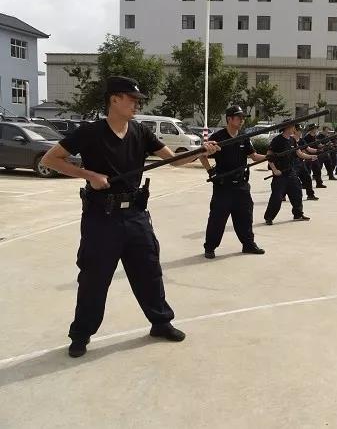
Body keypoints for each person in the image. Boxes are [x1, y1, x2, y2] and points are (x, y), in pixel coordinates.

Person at [40, 76, 220, 358]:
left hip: (136, 215)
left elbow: (172, 160)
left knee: (149, 271)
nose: (137, 104)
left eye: (138, 100)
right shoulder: (91, 132)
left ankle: (160, 322)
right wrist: (89, 175)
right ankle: (81, 335)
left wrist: (200, 152)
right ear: (114, 99)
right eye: (132, 99)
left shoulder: (140, 131)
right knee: (94, 278)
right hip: (102, 218)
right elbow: (50, 159)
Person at [200, 105, 267, 259]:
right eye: (239, 117)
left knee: (245, 216)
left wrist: (270, 157)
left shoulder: (244, 137)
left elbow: (254, 156)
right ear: (229, 119)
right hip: (223, 186)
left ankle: (248, 244)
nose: (242, 120)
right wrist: (211, 171)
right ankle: (210, 247)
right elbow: (202, 155)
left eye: (243, 118)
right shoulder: (218, 137)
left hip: (241, 186)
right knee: (217, 219)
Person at [264, 120, 316, 225]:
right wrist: (274, 170)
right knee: (277, 197)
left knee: (297, 193)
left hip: (291, 172)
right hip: (280, 174)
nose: (294, 129)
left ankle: (298, 214)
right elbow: (269, 156)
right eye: (293, 127)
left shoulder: (292, 140)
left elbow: (299, 153)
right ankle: (269, 217)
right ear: (287, 128)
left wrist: (311, 157)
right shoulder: (277, 140)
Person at [291, 126, 320, 201]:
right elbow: (300, 153)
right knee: (290, 181)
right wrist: (310, 156)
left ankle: (310, 195)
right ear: (295, 130)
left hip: (300, 162)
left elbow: (308, 149)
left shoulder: (301, 140)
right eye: (299, 130)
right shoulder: (290, 140)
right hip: (292, 164)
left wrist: (318, 150)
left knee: (307, 178)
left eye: (301, 130)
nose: (301, 132)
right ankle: (283, 195)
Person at [302, 124, 326, 189]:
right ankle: (305, 184)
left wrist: (324, 146)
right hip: (308, 156)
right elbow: (305, 148)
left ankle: (319, 183)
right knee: (308, 171)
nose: (316, 130)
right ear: (312, 129)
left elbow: (318, 145)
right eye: (315, 128)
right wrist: (307, 156)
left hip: (314, 155)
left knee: (317, 169)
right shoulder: (307, 137)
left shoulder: (315, 137)